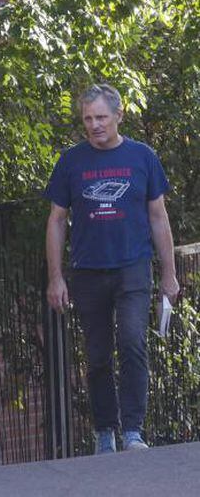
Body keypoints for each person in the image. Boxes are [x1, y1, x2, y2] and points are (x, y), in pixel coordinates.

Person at [45, 84, 179, 454]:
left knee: (133, 341)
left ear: (119, 115)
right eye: (88, 119)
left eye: (101, 117)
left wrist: (169, 273)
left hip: (133, 267)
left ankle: (133, 430)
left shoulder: (142, 157)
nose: (94, 125)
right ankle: (106, 431)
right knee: (98, 353)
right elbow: (56, 220)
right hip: (88, 270)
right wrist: (55, 278)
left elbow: (158, 216)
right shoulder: (72, 161)